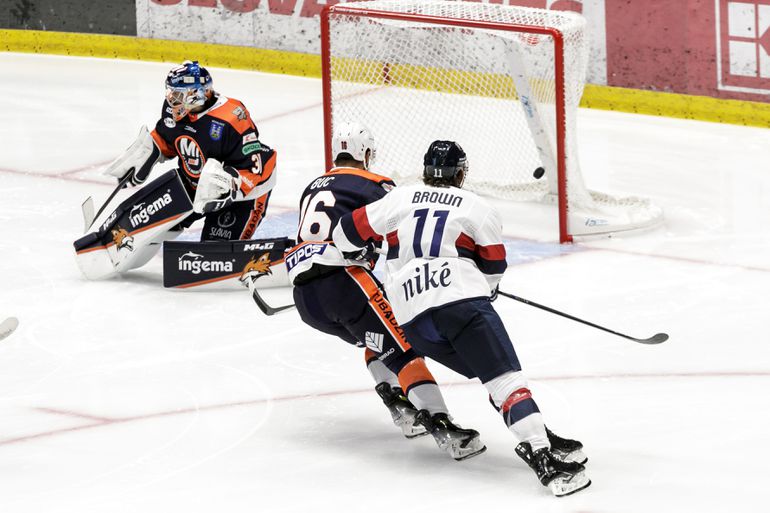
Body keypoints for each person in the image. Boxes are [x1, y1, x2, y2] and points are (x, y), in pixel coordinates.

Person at [332, 140, 591, 496]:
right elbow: (494, 266)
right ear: (461, 172)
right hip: (461, 303)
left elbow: (343, 232)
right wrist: (482, 290)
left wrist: (364, 253)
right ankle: (542, 457)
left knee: (493, 377)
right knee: (504, 380)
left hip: (411, 317)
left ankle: (538, 431)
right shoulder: (477, 207)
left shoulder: (398, 197)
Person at [283, 123, 485, 461]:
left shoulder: (311, 186)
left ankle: (400, 406)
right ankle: (443, 426)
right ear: (365, 153)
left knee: (373, 339)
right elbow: (406, 226)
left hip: (305, 296)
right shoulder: (374, 184)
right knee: (405, 346)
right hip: (345, 284)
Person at [106, 60, 277, 242]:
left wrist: (230, 185)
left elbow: (254, 168)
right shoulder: (174, 110)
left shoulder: (231, 118)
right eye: (170, 92)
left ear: (196, 94)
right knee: (141, 222)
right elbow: (168, 137)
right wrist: (152, 148)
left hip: (242, 198)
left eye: (177, 94)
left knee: (212, 258)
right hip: (192, 185)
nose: (171, 98)